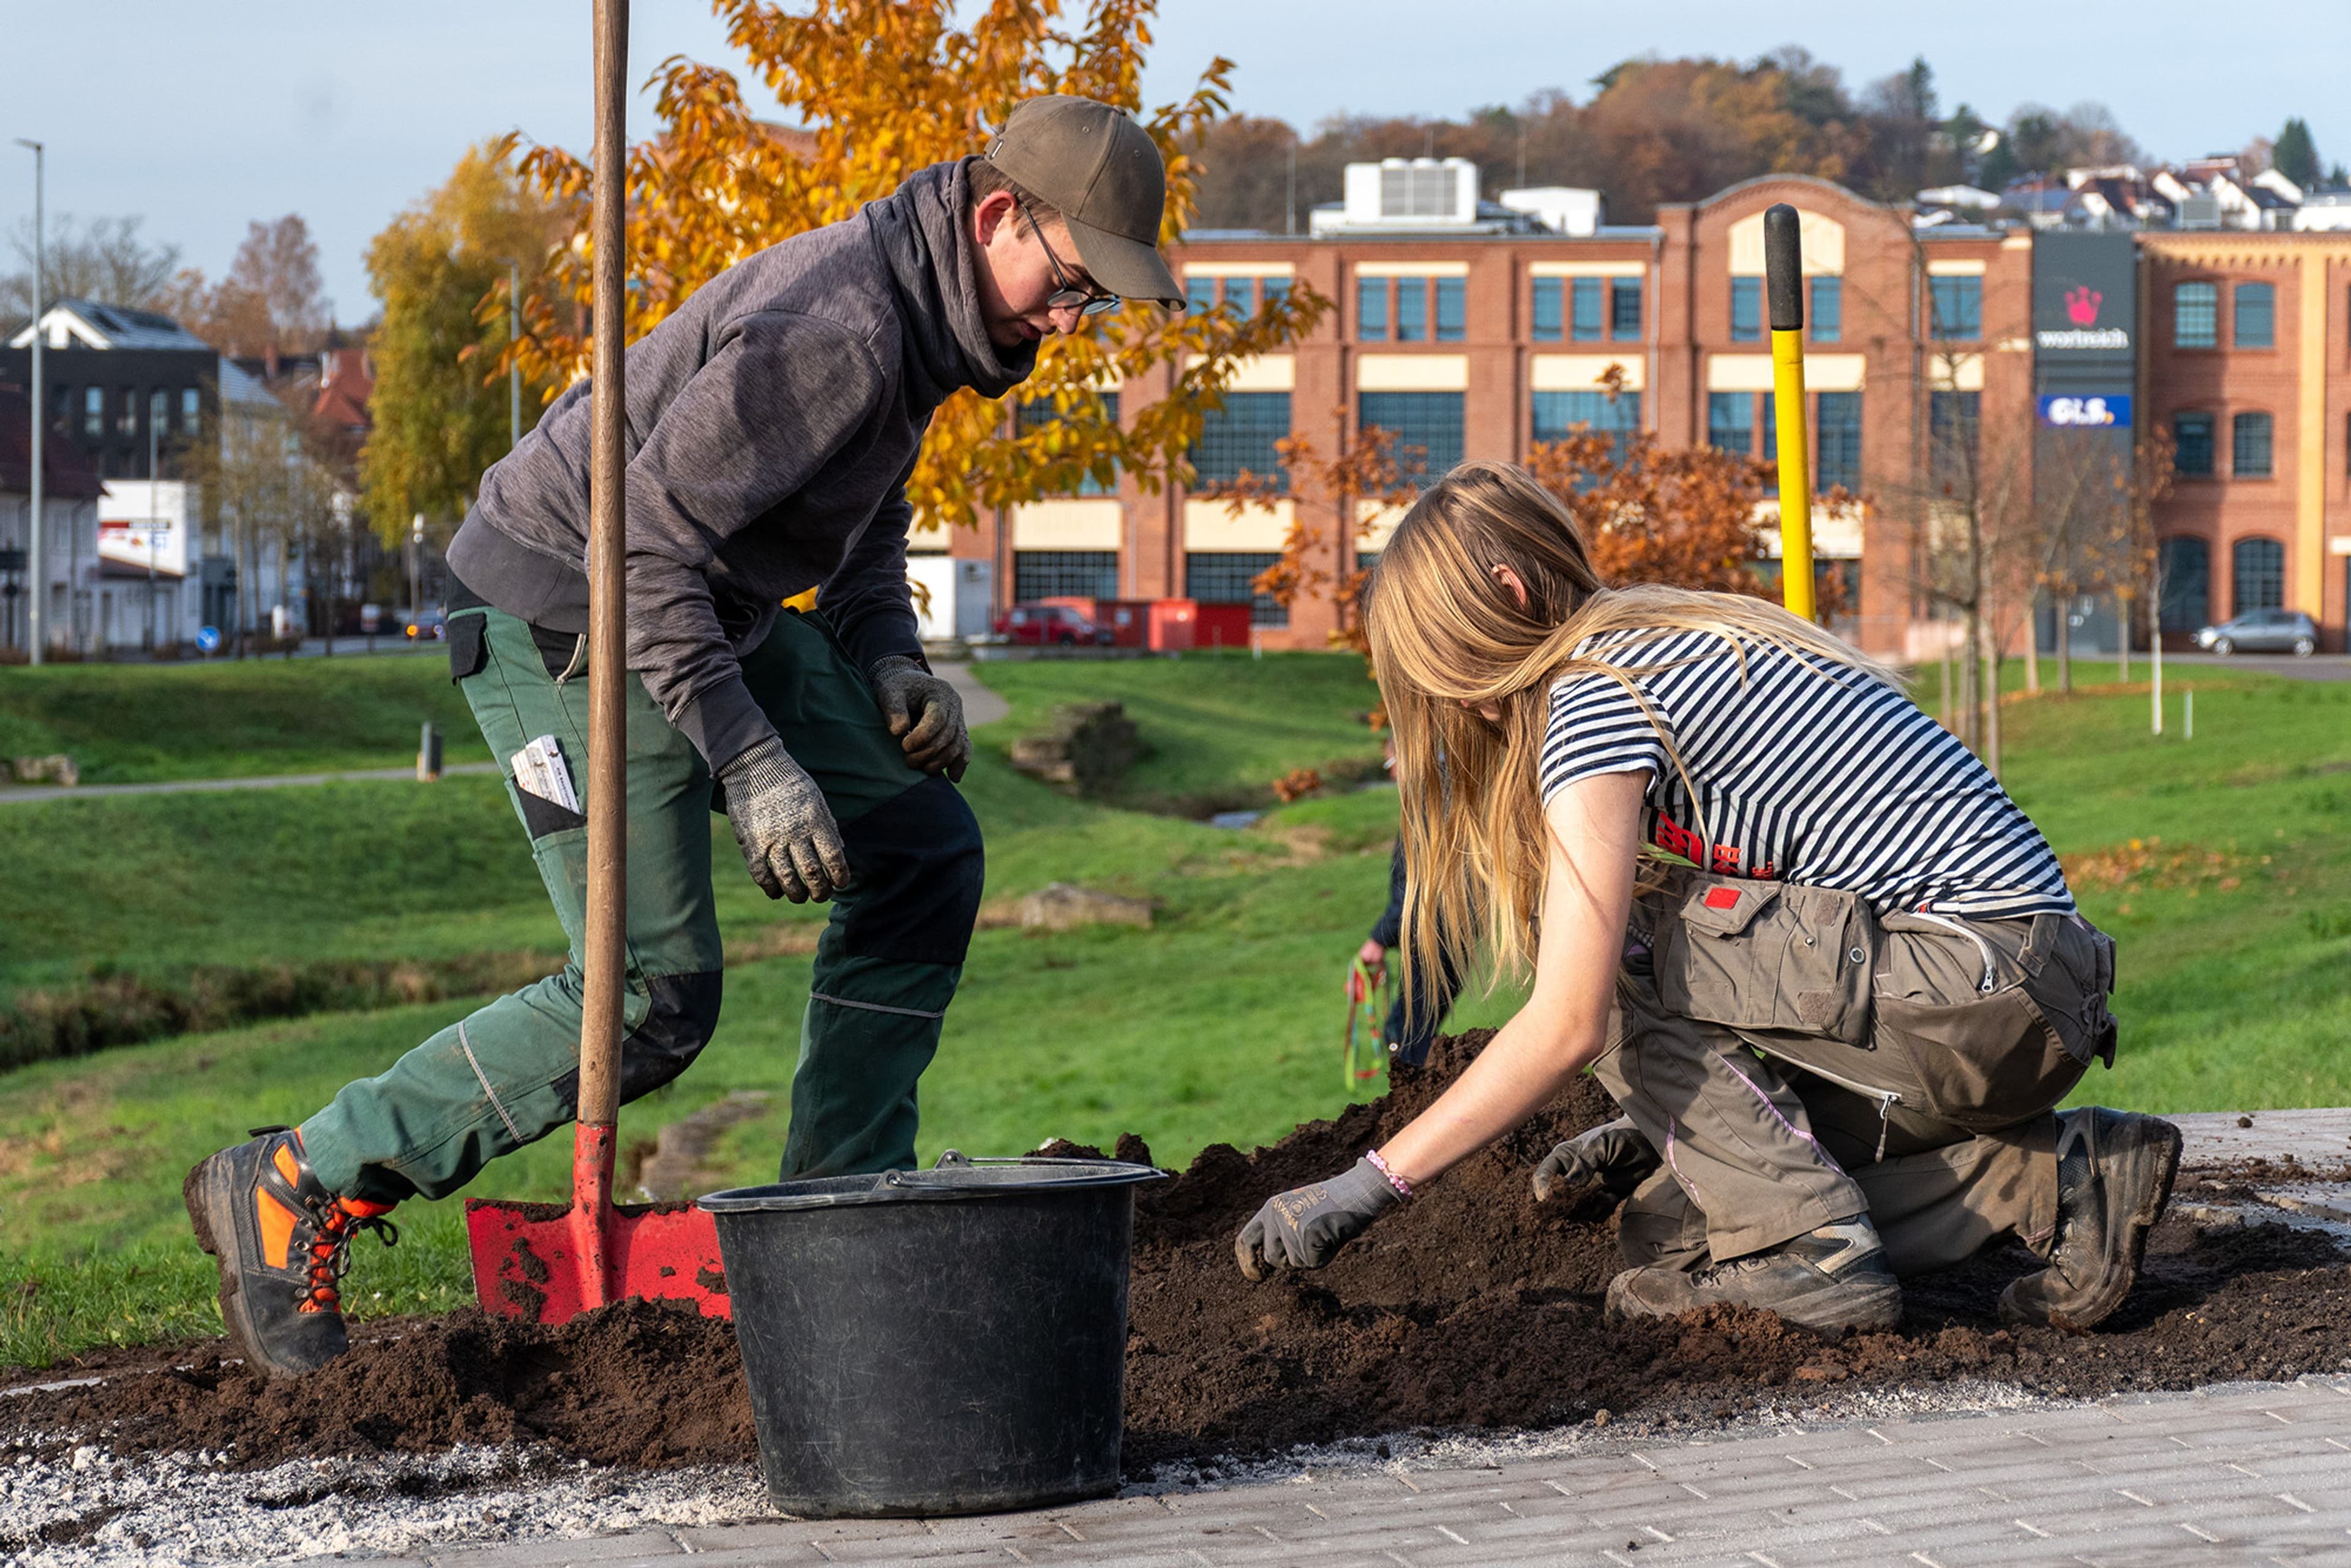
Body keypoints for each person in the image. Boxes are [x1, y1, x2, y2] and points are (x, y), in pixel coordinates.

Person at [184, 96, 1187, 1379]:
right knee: (656, 994)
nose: (1071, 318)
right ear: (1000, 218)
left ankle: (832, 1217)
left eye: (1093, 299)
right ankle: (299, 1176)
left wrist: (888, 649)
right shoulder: (841, 327)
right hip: (566, 605)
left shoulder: (928, 320)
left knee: (923, 845)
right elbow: (638, 545)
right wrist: (754, 759)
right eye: (1070, 282)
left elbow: (861, 518)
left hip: (706, 598)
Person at [1236, 460, 2179, 1335]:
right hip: (2005, 998)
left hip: (1978, 979)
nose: (1458, 707)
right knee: (1673, 1242)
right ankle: (2058, 1180)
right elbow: (1792, 956)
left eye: (1449, 672)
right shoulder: (1666, 637)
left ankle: (1813, 1255)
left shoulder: (1596, 695)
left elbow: (1569, 1019)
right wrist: (1660, 1127)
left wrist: (1364, 1185)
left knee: (1611, 948)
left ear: (1508, 600)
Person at [1354, 745, 1460, 1067]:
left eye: (1391, 762)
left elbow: (1414, 888)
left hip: (1433, 932)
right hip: (1448, 930)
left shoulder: (1428, 804)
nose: (1391, 773)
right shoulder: (1445, 796)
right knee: (1413, 1027)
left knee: (1407, 1033)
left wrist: (1378, 938)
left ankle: (1417, 1104)